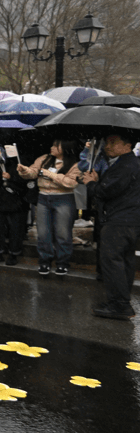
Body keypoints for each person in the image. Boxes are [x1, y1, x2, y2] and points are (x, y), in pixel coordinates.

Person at [81, 133, 140, 319]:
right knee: (124, 262)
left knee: (113, 262)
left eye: (114, 143)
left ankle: (120, 305)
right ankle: (120, 302)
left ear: (128, 145)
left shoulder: (125, 165)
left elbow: (105, 191)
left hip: (119, 222)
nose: (108, 146)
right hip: (129, 221)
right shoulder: (129, 164)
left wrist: (91, 184)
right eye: (107, 142)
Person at [17, 140, 81, 276]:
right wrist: (25, 171)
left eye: (55, 146)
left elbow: (71, 182)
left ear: (65, 147)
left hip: (64, 198)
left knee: (63, 233)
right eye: (52, 145)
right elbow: (33, 172)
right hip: (43, 197)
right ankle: (44, 261)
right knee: (43, 232)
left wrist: (51, 174)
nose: (51, 148)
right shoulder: (44, 159)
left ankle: (63, 263)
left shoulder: (75, 163)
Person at [0, 146, 30, 265]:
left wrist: (12, 178)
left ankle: (13, 254)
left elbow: (26, 181)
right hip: (0, 200)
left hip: (17, 201)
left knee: (16, 229)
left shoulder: (21, 162)